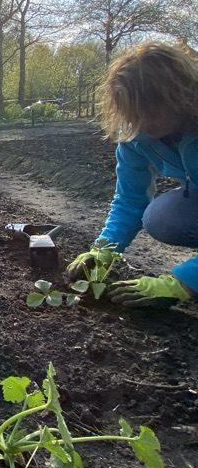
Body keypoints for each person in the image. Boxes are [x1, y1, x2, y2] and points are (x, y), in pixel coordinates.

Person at [66, 41, 198, 308]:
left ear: (181, 95)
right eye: (134, 111)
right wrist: (103, 250)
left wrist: (183, 282)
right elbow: (130, 200)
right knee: (162, 217)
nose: (143, 121)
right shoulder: (137, 137)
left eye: (151, 108)